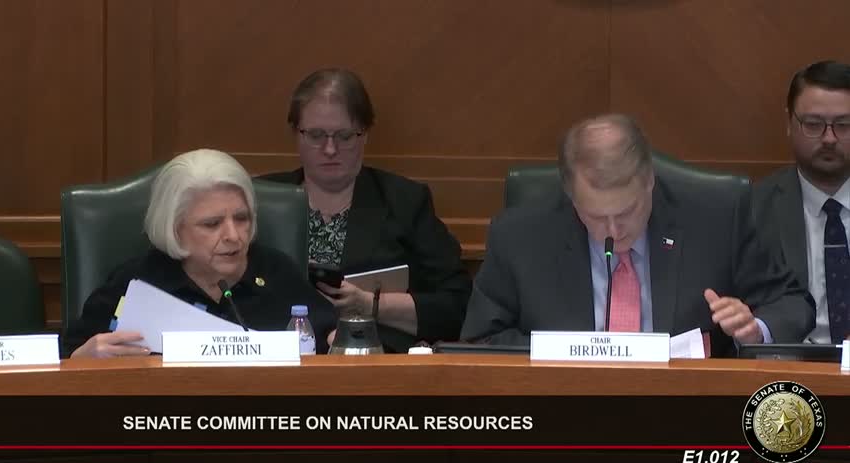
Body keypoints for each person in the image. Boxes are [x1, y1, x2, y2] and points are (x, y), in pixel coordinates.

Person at [462, 113, 814, 356]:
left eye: (627, 212)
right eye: (596, 216)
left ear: (650, 181)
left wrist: (755, 330)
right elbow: (481, 339)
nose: (614, 231)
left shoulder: (717, 219)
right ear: (570, 195)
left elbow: (792, 303)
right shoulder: (521, 235)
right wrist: (563, 353)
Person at [260, 68, 471, 352]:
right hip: (276, 358)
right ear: (296, 134)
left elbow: (457, 304)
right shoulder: (261, 200)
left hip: (374, 358)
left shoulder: (404, 201)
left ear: (364, 135)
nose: (330, 149)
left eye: (345, 136)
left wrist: (371, 305)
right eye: (316, 135)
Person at [65, 149, 337, 357]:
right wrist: (84, 358)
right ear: (175, 228)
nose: (233, 235)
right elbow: (65, 359)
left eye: (241, 218)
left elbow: (331, 340)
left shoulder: (276, 272)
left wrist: (340, 342)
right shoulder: (139, 281)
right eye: (212, 224)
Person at [753, 60, 850, 344]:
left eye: (844, 125)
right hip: (789, 361)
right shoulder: (753, 210)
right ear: (789, 123)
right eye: (813, 124)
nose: (829, 138)